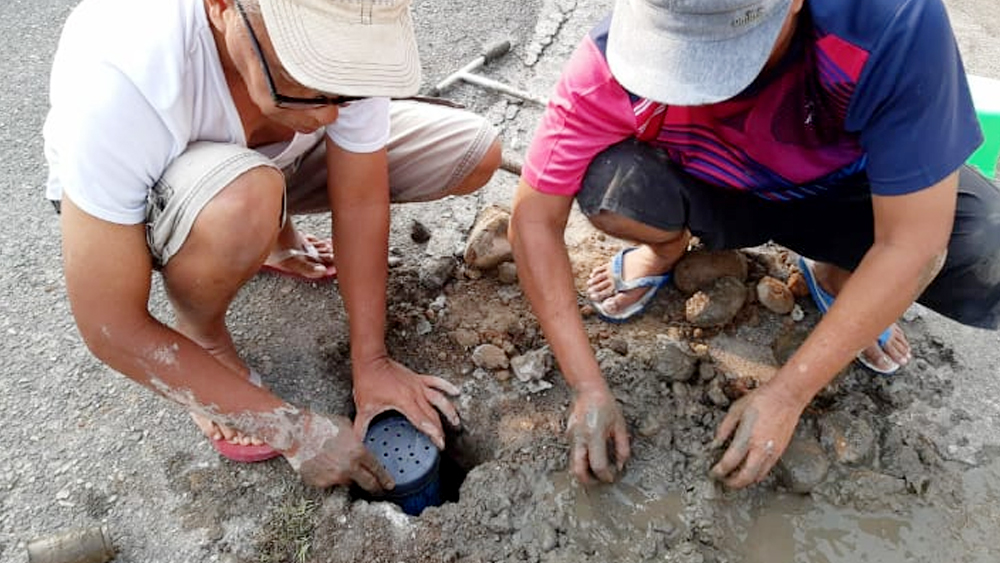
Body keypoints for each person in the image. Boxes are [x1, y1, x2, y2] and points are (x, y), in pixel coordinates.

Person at [509, 0, 1000, 488]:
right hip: (716, 186)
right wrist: (588, 386)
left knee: (986, 249)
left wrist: (788, 394)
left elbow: (914, 242)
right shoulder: (607, 58)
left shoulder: (890, 21)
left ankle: (839, 274)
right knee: (609, 185)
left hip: (846, 191)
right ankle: (665, 250)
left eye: (718, 52)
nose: (696, 82)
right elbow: (534, 220)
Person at [45, 0, 501, 491]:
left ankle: (272, 231)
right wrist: (288, 428)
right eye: (308, 77)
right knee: (241, 204)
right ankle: (204, 334)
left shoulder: (348, 49)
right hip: (157, 196)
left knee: (471, 151)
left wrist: (371, 363)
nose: (330, 112)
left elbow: (362, 202)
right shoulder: (123, 74)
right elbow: (110, 326)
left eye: (344, 93)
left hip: (268, 166)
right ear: (222, 7)